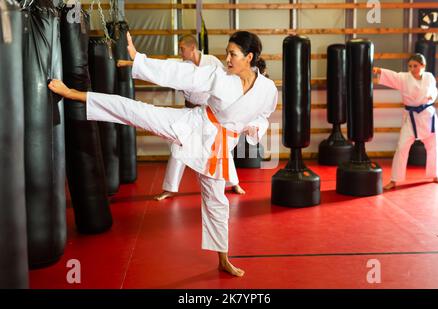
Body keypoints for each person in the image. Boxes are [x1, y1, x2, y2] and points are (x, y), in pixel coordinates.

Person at [48, 31, 278, 277]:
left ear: (249, 57)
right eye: (227, 53)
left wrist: (255, 128)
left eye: (232, 54)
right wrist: (139, 59)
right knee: (137, 111)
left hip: (218, 148)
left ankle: (223, 259)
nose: (227, 58)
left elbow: (263, 115)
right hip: (193, 125)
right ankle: (73, 93)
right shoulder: (219, 76)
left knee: (217, 203)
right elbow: (180, 74)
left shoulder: (267, 90)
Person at [155, 34, 246, 201]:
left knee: (221, 148)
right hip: (190, 113)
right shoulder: (183, 67)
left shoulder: (211, 62)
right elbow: (167, 72)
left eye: (182, 49)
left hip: (210, 114)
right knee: (179, 147)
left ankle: (233, 183)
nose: (181, 52)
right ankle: (170, 188)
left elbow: (228, 80)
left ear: (192, 48)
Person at [373, 53, 438, 190]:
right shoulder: (404, 78)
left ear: (423, 66)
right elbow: (393, 75)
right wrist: (379, 71)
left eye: (415, 66)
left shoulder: (429, 77)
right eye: (410, 66)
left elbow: (434, 90)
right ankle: (395, 179)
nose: (412, 69)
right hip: (411, 118)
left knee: (433, 147)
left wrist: (432, 95)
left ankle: (435, 175)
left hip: (428, 117)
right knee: (402, 147)